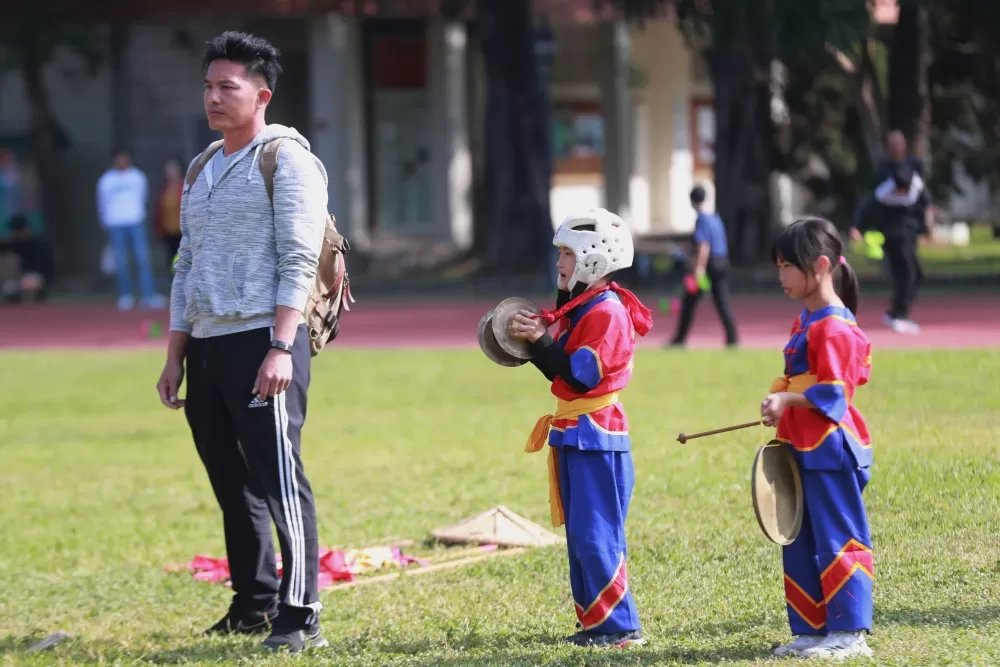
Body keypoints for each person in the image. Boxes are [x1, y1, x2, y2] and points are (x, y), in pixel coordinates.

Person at [155, 31, 330, 653]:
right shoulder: (203, 167)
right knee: (232, 484)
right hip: (207, 345)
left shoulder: (287, 160)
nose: (214, 97)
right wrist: (176, 352)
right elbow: (186, 263)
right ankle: (252, 602)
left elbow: (300, 257)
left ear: (262, 95)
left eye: (227, 87)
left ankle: (301, 610)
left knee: (280, 480)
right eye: (208, 86)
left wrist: (282, 347)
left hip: (264, 340)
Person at [508, 208, 652, 648]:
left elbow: (580, 376)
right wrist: (535, 342)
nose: (560, 263)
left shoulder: (606, 312)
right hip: (575, 431)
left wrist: (541, 343)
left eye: (567, 254)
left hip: (598, 435)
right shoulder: (582, 306)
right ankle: (596, 623)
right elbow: (560, 370)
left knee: (596, 535)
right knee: (579, 536)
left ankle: (620, 628)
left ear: (594, 256)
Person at [761, 217, 874, 660]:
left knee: (838, 535)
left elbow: (834, 392)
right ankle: (811, 628)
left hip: (831, 448)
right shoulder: (805, 319)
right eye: (779, 266)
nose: (781, 276)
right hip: (800, 445)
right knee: (800, 536)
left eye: (789, 266)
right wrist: (779, 404)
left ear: (822, 265)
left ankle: (849, 632)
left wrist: (786, 403)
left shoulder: (834, 326)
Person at [851, 162, 931, 335]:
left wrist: (926, 229)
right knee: (906, 274)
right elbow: (865, 206)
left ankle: (897, 312)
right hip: (893, 236)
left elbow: (924, 205)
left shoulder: (916, 186)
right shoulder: (883, 192)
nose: (901, 193)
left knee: (916, 274)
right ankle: (899, 315)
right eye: (898, 189)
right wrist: (856, 226)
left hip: (908, 235)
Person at [668, 185, 739, 347]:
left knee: (689, 302)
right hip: (722, 263)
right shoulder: (716, 217)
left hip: (708, 266)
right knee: (722, 303)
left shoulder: (701, 219)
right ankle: (733, 338)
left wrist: (699, 269)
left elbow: (703, 245)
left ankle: (679, 339)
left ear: (691, 201)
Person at [96, 148, 166, 311]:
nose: (122, 161)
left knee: (143, 258)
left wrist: (138, 214)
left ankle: (148, 295)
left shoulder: (137, 177)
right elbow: (102, 203)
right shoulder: (106, 180)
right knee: (121, 261)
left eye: (125, 158)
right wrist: (105, 222)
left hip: (135, 221)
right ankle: (125, 295)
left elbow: (143, 197)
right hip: (115, 223)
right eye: (119, 158)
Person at [1, 214, 54, 303]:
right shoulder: (14, 244)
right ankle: (20, 297)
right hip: (20, 279)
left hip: (38, 277)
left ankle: (35, 295)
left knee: (30, 281)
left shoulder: (39, 244)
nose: (16, 234)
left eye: (18, 231)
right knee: (8, 287)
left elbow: (43, 269)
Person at [153, 157, 185, 268]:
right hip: (169, 234)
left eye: (173, 169)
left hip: (183, 234)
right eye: (168, 169)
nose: (170, 172)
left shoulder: (185, 187)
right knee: (172, 265)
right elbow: (159, 212)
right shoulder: (164, 190)